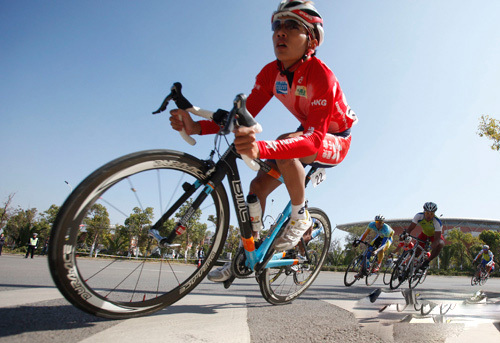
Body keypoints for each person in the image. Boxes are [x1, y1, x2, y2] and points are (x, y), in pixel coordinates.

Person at [170, 0, 357, 283]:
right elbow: (242, 117)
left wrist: (261, 147)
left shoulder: (322, 76)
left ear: (312, 41)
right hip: (304, 133)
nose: (280, 32)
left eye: (292, 26)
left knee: (284, 143)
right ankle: (249, 253)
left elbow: (313, 141)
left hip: (333, 139)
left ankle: (301, 215)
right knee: (256, 188)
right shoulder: (271, 73)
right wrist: (197, 126)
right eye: (277, 26)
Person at [402, 202, 444, 271]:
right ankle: (408, 267)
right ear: (424, 212)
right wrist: (406, 234)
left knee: (440, 244)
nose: (429, 216)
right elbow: (410, 229)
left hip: (434, 236)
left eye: (431, 214)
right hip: (424, 234)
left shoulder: (437, 222)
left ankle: (427, 262)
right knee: (416, 251)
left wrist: (430, 247)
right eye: (427, 213)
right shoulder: (419, 216)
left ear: (434, 214)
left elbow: (436, 240)